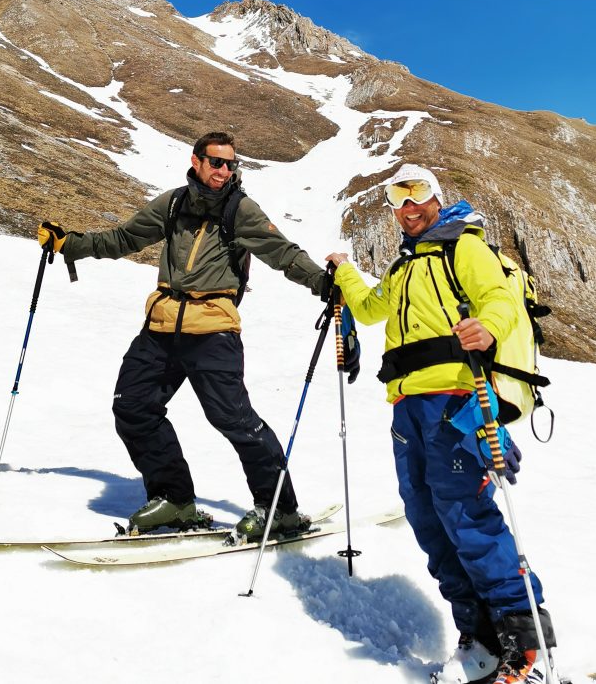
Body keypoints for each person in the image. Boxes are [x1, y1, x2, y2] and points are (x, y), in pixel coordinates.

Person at [326, 164, 556, 684]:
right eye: (397, 196)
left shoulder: (464, 247)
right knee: (426, 516)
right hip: (406, 406)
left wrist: (487, 326)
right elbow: (367, 309)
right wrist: (343, 270)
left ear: (436, 197)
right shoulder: (403, 266)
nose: (408, 206)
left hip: (457, 398)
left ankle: (523, 647)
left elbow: (500, 298)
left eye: (418, 193)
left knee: (466, 514)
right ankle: (477, 637)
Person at [38, 131, 327, 539]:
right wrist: (72, 244)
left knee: (234, 421)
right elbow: (124, 238)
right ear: (197, 161)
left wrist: (323, 283)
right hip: (160, 328)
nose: (224, 171)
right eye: (216, 162)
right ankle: (174, 500)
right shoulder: (173, 204)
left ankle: (279, 509)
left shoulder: (240, 210)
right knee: (133, 408)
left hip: (213, 330)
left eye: (231, 164)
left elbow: (283, 253)